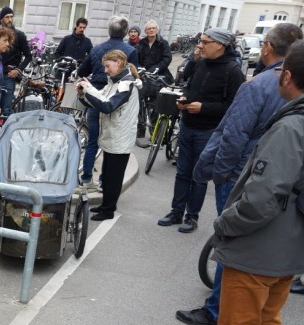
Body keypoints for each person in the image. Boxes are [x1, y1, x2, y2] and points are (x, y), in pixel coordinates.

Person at [169, 38, 304, 325]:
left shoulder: (293, 125)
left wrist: (225, 225)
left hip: (258, 248)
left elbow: (261, 198)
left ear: (287, 76)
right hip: (291, 245)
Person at [174, 23, 304, 325]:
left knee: (230, 243)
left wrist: (221, 174)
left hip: (243, 175)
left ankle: (216, 310)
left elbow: (234, 135)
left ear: (268, 47)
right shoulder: (302, 88)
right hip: (285, 180)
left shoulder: (258, 85)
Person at [156, 28, 245, 233]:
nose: (200, 45)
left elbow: (233, 107)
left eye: (205, 42)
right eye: (201, 41)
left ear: (220, 45)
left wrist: (203, 108)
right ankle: (176, 212)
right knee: (182, 172)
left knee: (199, 176)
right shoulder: (201, 63)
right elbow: (189, 87)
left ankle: (192, 217)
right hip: (188, 125)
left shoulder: (233, 71)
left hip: (209, 132)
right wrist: (185, 98)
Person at [76, 50, 141, 221]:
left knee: (114, 177)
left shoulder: (126, 84)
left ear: (118, 62)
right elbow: (100, 100)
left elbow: (107, 106)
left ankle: (108, 210)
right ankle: (106, 205)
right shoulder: (115, 82)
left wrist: (89, 88)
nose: (105, 70)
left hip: (120, 137)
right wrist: (83, 94)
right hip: (113, 136)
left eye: (107, 66)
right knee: (108, 173)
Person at [76, 15, 138, 189]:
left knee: (92, 141)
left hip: (95, 96)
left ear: (109, 30)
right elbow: (134, 75)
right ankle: (104, 181)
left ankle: (86, 178)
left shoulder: (97, 48)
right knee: (110, 145)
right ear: (125, 32)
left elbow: (82, 71)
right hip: (117, 101)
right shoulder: (130, 51)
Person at [0, 7, 33, 119]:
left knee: (6, 109)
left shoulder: (19, 35)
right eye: (7, 17)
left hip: (9, 75)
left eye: (11, 17)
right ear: (1, 19)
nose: (10, 20)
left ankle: (6, 129)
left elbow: (28, 56)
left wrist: (18, 70)